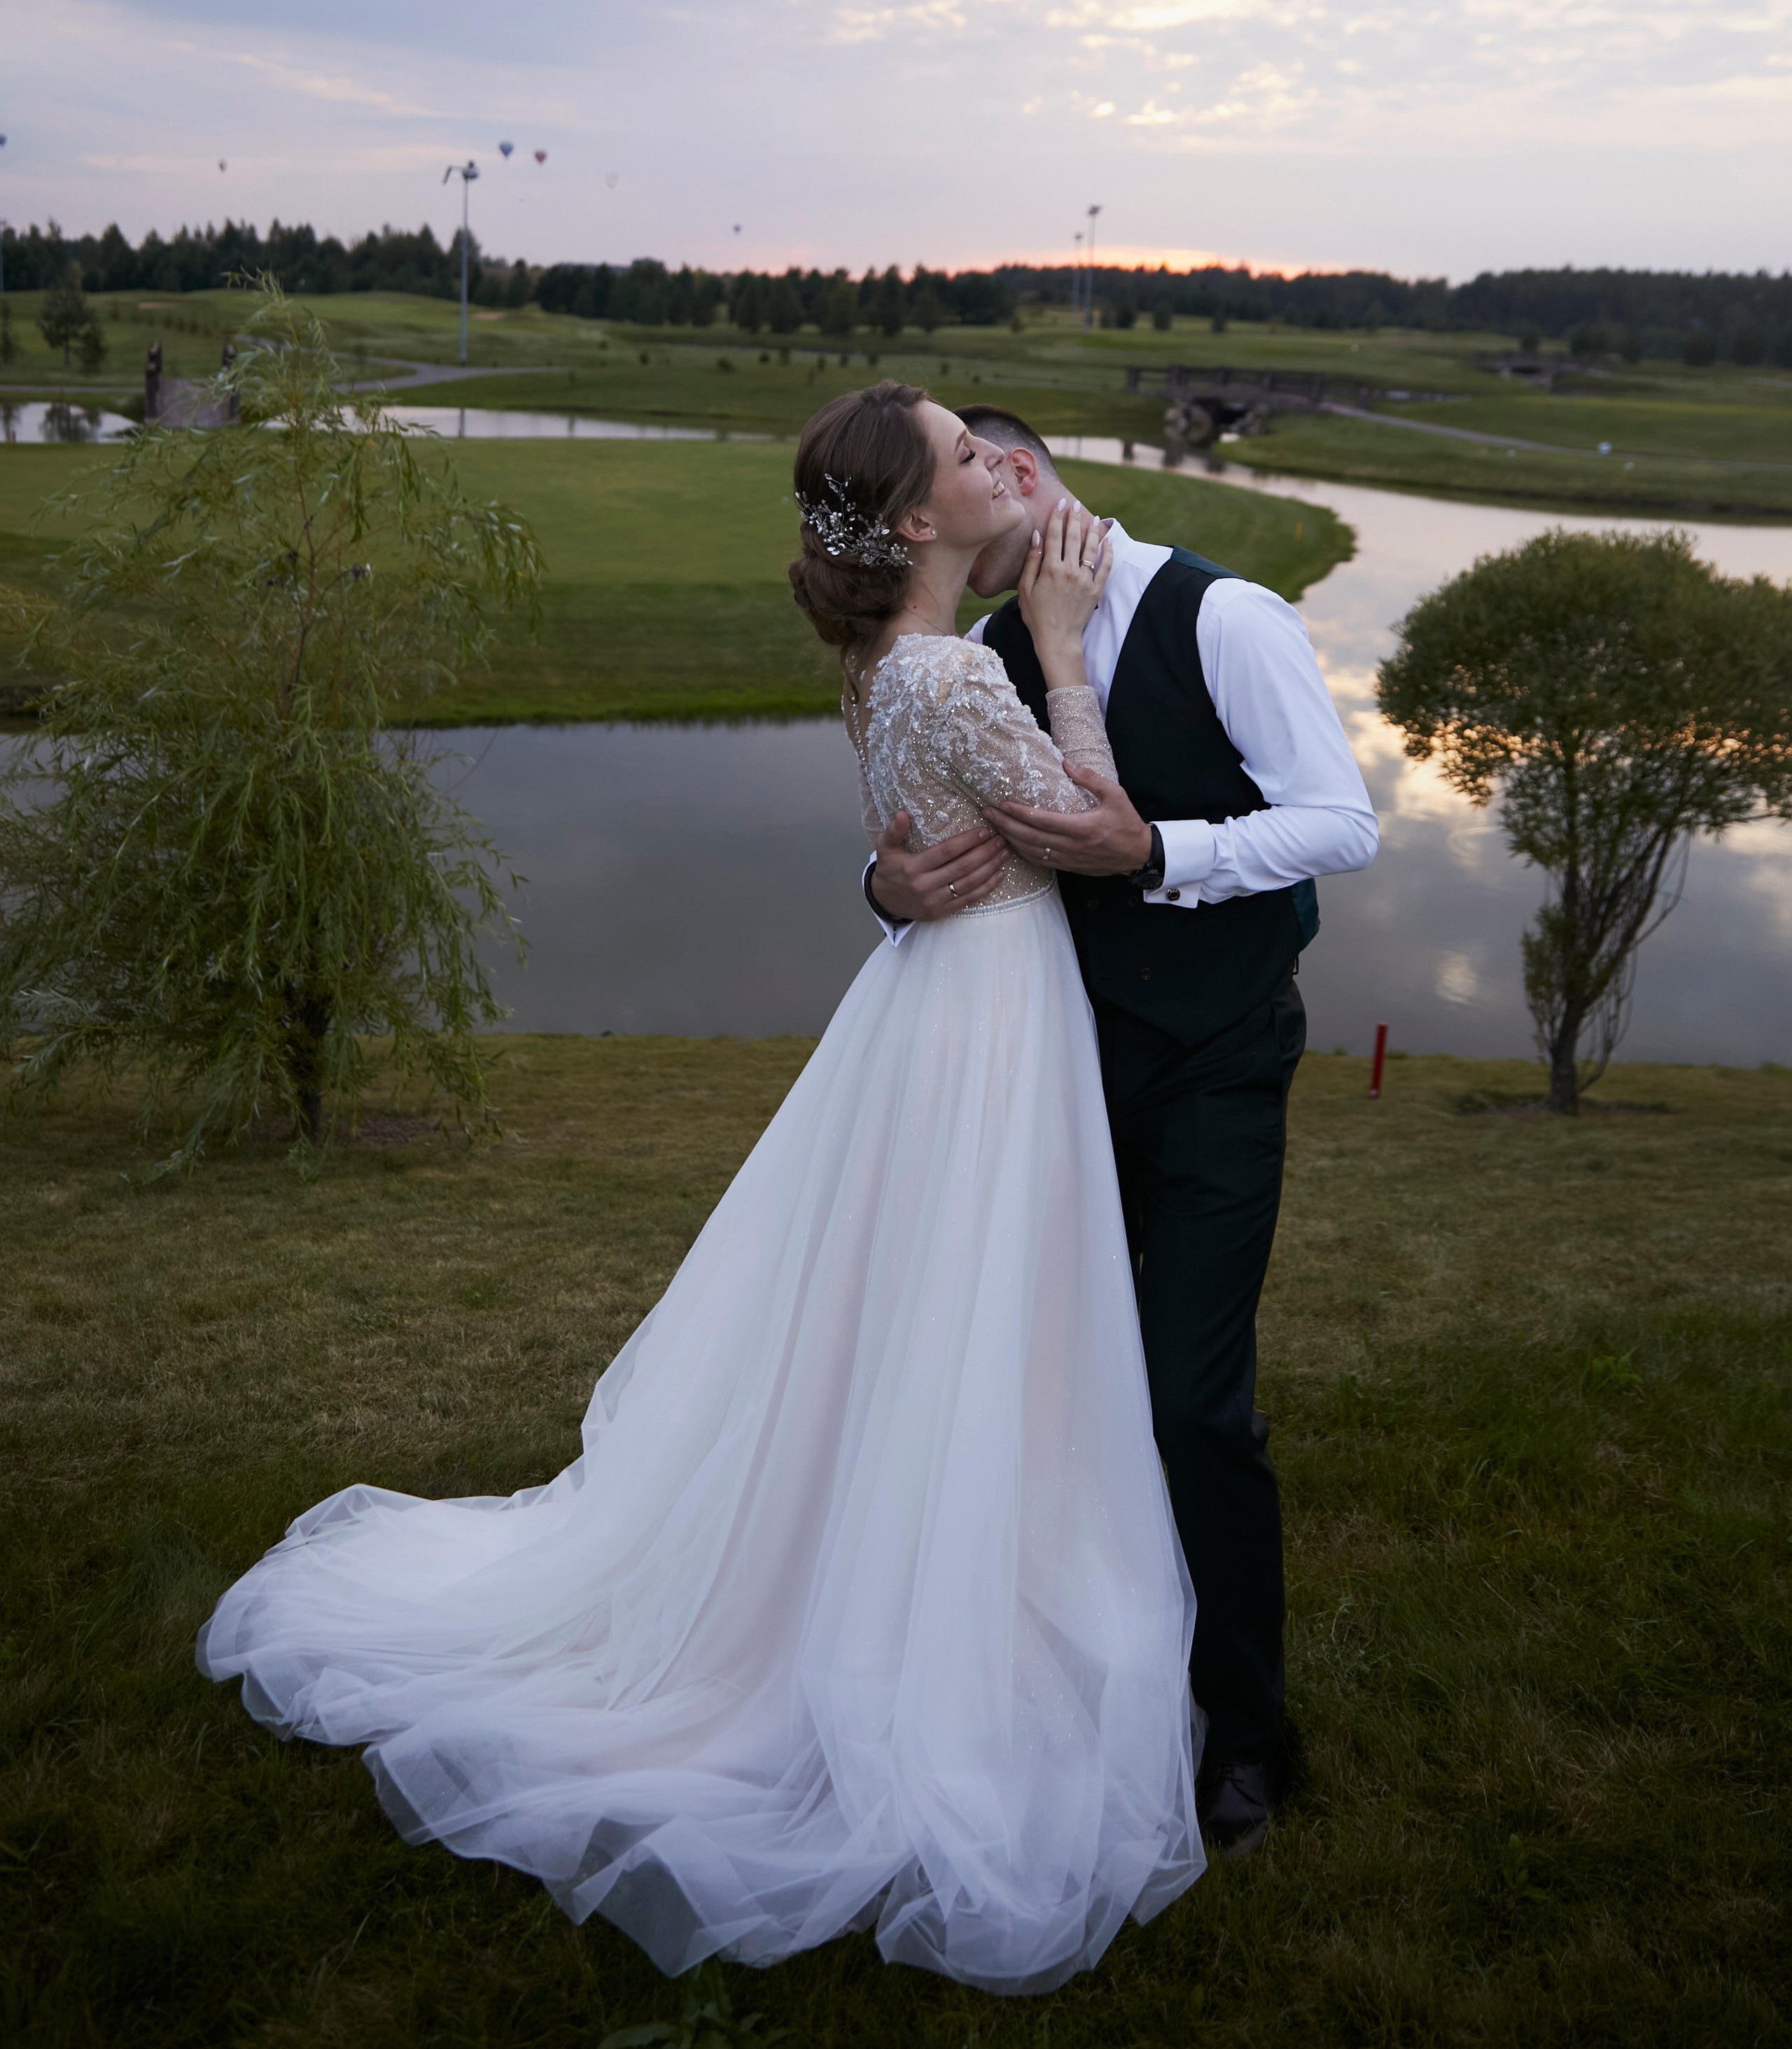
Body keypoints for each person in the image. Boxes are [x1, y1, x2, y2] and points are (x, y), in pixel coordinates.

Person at [197, 381, 1204, 1995]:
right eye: (960, 454)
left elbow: (957, 826)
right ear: (912, 523)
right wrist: (1071, 653)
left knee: (915, 1309)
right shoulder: (954, 671)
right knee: (962, 1303)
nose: (986, 462)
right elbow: (1105, 834)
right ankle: (925, 1610)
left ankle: (903, 1555)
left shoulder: (888, 667)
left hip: (944, 1008)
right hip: (983, 1018)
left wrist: (910, 853)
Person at [864, 407, 1378, 1854]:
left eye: (967, 483)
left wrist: (1163, 853)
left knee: (1189, 1400)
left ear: (1014, 478)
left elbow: (1337, 820)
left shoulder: (1226, 615)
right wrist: (881, 888)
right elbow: (917, 813)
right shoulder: (986, 656)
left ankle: (1247, 1735)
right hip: (1045, 1065)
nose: (957, 568)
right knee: (1040, 1383)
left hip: (1214, 1059)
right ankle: (1068, 1671)